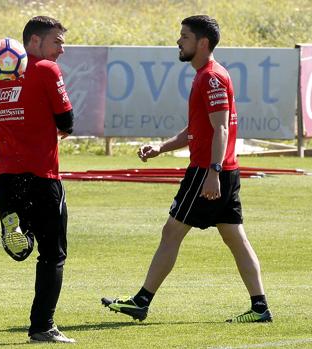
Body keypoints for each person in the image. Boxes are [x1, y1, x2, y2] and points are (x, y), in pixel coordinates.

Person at [102, 15, 272, 323]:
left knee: (172, 232)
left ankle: (141, 301)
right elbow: (197, 129)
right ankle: (260, 307)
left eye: (185, 36)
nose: (178, 41)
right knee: (235, 238)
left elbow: (221, 129)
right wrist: (161, 148)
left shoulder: (211, 77)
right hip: (221, 171)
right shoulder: (205, 75)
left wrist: (213, 171)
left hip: (208, 172)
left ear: (202, 43)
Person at [0, 16, 76, 343]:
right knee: (54, 253)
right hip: (41, 174)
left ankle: (16, 223)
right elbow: (67, 119)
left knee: (22, 248)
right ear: (34, 42)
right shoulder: (47, 70)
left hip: (5, 175)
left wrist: (13, 149)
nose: (62, 49)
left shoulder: (1, 78)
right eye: (57, 42)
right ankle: (42, 327)